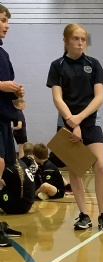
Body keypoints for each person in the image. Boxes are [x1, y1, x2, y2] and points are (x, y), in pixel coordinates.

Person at [46, 23, 103, 231]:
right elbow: (57, 98)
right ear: (66, 41)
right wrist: (70, 120)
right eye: (76, 38)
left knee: (100, 165)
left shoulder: (94, 64)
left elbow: (99, 97)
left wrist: (80, 118)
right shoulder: (57, 66)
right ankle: (84, 214)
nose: (80, 43)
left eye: (83, 39)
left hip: (90, 120)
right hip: (66, 121)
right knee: (76, 169)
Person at [0, 4, 25, 196]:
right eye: (2, 21)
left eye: (7, 21)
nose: (7, 26)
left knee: (5, 163)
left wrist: (16, 92)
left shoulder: (4, 55)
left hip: (3, 117)